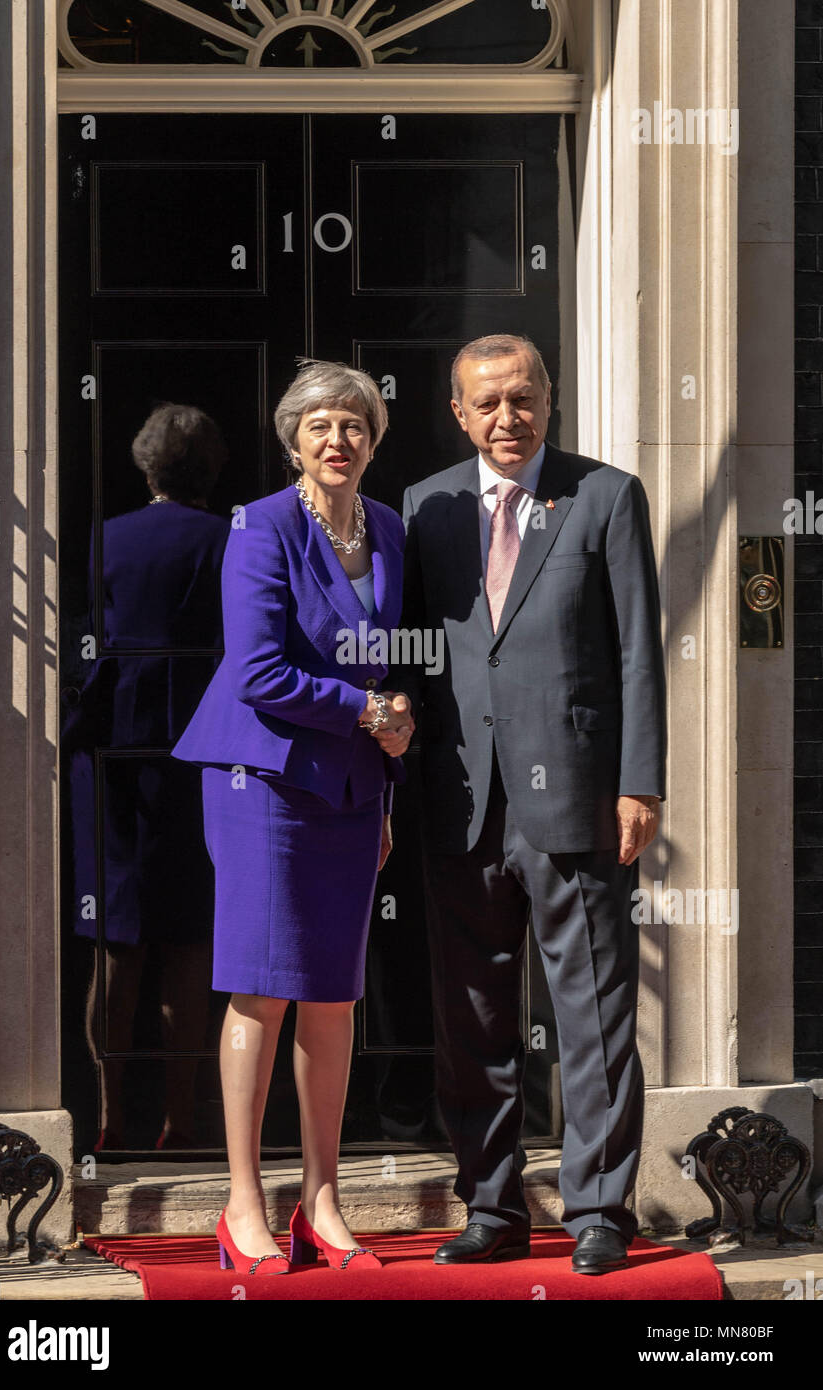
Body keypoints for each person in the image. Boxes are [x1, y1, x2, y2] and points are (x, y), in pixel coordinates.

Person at [378, 333, 666, 1274]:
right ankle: (492, 1205)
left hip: (577, 797)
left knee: (592, 1013)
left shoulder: (606, 495)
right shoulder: (427, 506)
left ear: (549, 400)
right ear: (457, 414)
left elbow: (635, 653)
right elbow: (412, 654)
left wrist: (638, 781)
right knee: (470, 1021)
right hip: (459, 803)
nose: (508, 418)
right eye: (486, 403)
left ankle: (596, 1211)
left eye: (523, 398)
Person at [170, 360, 413, 1275]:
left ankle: (323, 1200)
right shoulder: (259, 526)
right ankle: (242, 1204)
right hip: (260, 780)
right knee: (262, 987)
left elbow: (383, 671)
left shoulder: (387, 529)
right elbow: (258, 669)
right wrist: (363, 714)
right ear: (293, 440)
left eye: (353, 424)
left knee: (334, 996)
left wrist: (383, 772)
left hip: (351, 789)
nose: (337, 439)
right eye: (319, 425)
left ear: (373, 439)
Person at [63, 401, 231, 1153]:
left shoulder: (107, 539)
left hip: (113, 765)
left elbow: (82, 653)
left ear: (145, 464)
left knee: (115, 943)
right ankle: (179, 1123)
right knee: (191, 942)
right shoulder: (232, 540)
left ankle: (104, 1118)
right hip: (201, 758)